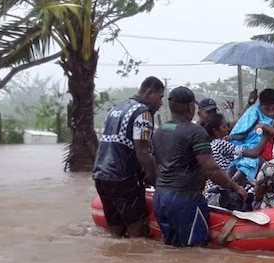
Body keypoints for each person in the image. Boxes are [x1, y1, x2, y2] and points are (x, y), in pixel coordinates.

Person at [151, 86, 248, 247]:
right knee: (195, 252)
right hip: (185, 200)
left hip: (160, 198)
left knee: (172, 248)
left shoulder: (160, 131)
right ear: (190, 107)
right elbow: (211, 169)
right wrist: (235, 187)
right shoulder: (195, 132)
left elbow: (153, 163)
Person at [92, 76, 164, 238]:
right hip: (123, 177)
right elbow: (143, 152)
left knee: (115, 229)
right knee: (137, 230)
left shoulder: (116, 109)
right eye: (160, 97)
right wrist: (157, 184)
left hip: (101, 175)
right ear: (149, 93)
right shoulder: (143, 113)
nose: (160, 103)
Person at [202, 113, 270, 191]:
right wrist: (266, 137)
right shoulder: (220, 144)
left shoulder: (208, 145)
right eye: (224, 127)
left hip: (210, 190)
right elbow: (253, 154)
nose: (227, 129)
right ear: (215, 131)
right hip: (220, 191)